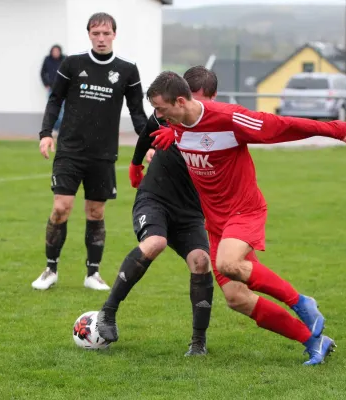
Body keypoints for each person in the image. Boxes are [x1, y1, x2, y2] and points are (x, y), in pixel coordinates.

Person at [146, 71, 346, 366]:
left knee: (228, 264)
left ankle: (302, 303)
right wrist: (169, 136)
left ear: (179, 101)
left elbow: (283, 126)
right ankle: (313, 341)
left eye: (160, 109)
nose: (157, 115)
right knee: (236, 298)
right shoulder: (176, 125)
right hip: (215, 223)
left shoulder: (230, 118)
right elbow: (184, 134)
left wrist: (336, 129)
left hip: (244, 210)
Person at [96, 66, 218, 356]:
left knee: (201, 261)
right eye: (185, 97)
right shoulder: (166, 114)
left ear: (213, 97)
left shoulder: (220, 124)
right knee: (155, 242)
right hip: (155, 198)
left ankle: (198, 343)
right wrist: (136, 164)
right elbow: (149, 130)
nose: (187, 105)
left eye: (198, 98)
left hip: (190, 211)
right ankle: (108, 312)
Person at [32, 12, 148, 291]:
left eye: (106, 33)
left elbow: (137, 113)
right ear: (89, 35)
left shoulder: (128, 70)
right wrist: (46, 134)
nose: (101, 38)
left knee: (96, 212)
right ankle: (50, 269)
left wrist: (150, 146)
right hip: (70, 151)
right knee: (61, 208)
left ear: (114, 35)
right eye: (96, 33)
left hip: (103, 154)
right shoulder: (72, 64)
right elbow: (54, 100)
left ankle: (92, 274)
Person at [40, 44, 66, 132]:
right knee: (52, 110)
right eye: (54, 51)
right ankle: (55, 129)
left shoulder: (65, 59)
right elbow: (43, 73)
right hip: (52, 89)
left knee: (62, 111)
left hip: (63, 89)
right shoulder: (47, 60)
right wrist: (46, 84)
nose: (56, 53)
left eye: (57, 51)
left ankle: (60, 129)